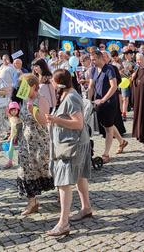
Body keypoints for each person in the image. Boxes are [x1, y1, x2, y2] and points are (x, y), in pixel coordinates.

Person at [45, 70, 93, 238]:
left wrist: (56, 120)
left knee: (64, 183)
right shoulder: (67, 94)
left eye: (53, 79)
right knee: (80, 176)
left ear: (59, 83)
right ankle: (86, 208)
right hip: (73, 143)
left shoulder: (71, 97)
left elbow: (78, 124)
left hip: (72, 145)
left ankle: (63, 223)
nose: (50, 82)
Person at [16, 73, 54, 215]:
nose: (22, 89)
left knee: (44, 169)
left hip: (40, 141)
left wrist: (33, 111)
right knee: (25, 170)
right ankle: (32, 202)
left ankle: (62, 195)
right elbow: (22, 119)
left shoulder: (41, 100)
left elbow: (45, 121)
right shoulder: (24, 100)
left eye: (24, 86)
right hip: (25, 141)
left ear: (33, 86)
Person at [88, 50, 127, 163]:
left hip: (109, 103)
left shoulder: (109, 69)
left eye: (94, 59)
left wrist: (104, 99)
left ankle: (106, 154)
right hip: (98, 102)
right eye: (91, 60)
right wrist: (89, 100)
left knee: (108, 128)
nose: (93, 62)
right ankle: (122, 142)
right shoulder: (93, 70)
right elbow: (91, 86)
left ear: (101, 58)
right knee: (107, 125)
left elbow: (113, 86)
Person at [4, 102, 22, 169]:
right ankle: (10, 161)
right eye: (11, 110)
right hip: (13, 135)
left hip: (20, 135)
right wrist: (10, 136)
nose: (13, 112)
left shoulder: (20, 118)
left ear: (18, 110)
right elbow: (12, 128)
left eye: (15, 110)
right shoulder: (11, 118)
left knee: (21, 148)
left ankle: (21, 161)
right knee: (10, 148)